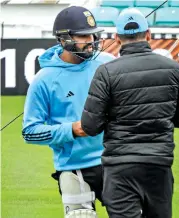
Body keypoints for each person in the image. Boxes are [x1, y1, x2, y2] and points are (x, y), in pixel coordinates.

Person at [81, 8, 179, 218]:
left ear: (116, 38)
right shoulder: (172, 68)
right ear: (148, 35)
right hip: (158, 164)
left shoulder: (106, 72)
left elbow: (90, 125)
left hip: (120, 166)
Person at [22, 5, 115, 218]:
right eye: (83, 36)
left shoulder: (108, 64)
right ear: (64, 39)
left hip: (115, 161)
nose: (91, 41)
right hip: (74, 168)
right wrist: (71, 130)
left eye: (92, 35)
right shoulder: (43, 80)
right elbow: (29, 132)